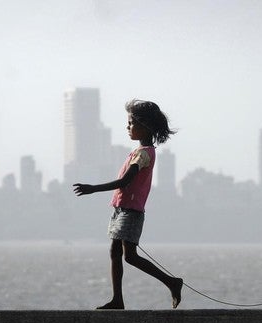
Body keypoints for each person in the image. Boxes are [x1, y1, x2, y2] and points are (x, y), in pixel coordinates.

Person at [73, 99, 183, 310]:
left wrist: (92, 188)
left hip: (130, 212)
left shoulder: (143, 154)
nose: (128, 127)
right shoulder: (139, 152)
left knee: (129, 256)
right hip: (121, 210)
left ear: (145, 127)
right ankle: (117, 300)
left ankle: (172, 282)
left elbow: (125, 181)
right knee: (115, 253)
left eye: (131, 123)